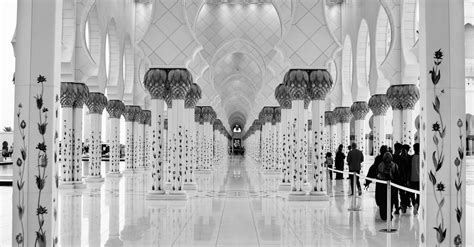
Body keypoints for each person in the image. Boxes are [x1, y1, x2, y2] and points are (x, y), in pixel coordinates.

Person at [376, 152, 401, 221]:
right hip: (391, 186)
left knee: (383, 201)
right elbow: (397, 177)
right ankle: (389, 214)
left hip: (382, 186)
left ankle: (384, 215)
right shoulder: (394, 165)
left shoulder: (380, 165)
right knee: (390, 201)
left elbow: (377, 175)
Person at [391, 143, 403, 214]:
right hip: (399, 178)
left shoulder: (391, 157)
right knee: (399, 193)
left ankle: (395, 208)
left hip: (392, 178)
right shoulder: (401, 158)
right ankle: (398, 208)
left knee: (393, 194)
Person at [408, 143, 420, 215]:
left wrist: (408, 179)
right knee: (419, 194)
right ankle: (417, 205)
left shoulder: (411, 157)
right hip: (419, 179)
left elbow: (409, 169)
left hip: (412, 178)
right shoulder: (422, 157)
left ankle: (414, 203)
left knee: (412, 193)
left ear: (414, 149)